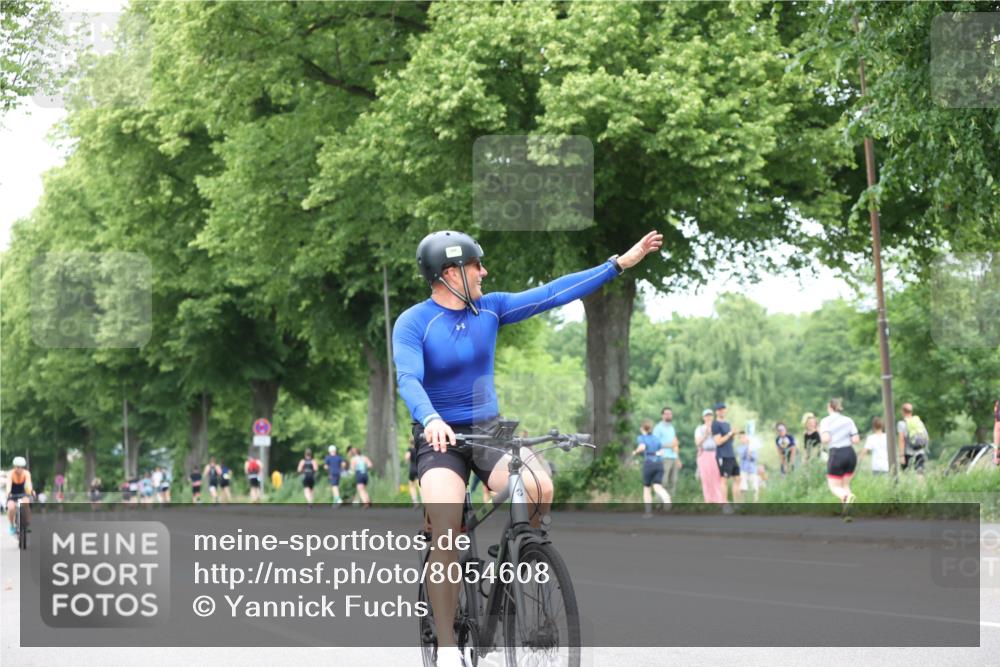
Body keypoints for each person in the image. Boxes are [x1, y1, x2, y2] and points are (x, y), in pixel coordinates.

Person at [393, 229, 662, 667]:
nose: (485, 271)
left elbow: (555, 293)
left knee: (539, 485)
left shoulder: (493, 309)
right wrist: (432, 419)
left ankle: (518, 553)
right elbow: (408, 378)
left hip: (489, 428)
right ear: (449, 274)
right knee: (445, 525)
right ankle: (445, 647)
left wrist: (618, 264)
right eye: (476, 265)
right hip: (439, 435)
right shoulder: (414, 322)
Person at [819, 398, 860, 515]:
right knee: (845, 485)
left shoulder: (825, 421)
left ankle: (848, 497)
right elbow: (855, 439)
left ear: (830, 408)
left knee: (833, 486)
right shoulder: (848, 420)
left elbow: (826, 439)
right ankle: (848, 514)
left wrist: (821, 435)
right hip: (850, 453)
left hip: (836, 454)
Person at [633, 418, 672, 517]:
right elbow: (662, 452)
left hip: (649, 463)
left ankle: (648, 512)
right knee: (657, 486)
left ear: (642, 428)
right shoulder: (656, 438)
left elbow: (642, 447)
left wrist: (635, 452)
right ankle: (666, 497)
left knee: (647, 488)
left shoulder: (642, 438)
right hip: (659, 464)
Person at [712, 402, 742, 508]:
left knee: (737, 478)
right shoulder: (715, 424)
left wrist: (733, 434)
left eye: (723, 409)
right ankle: (724, 504)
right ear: (716, 412)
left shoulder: (727, 424)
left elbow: (730, 440)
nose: (722, 411)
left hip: (731, 454)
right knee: (724, 480)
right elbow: (718, 441)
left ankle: (737, 504)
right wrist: (729, 434)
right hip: (722, 455)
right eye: (720, 409)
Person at [695, 408, 724, 503]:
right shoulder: (699, 429)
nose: (708, 417)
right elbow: (698, 443)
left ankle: (719, 500)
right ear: (703, 417)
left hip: (716, 453)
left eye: (710, 415)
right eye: (706, 416)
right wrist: (706, 435)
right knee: (706, 479)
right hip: (704, 454)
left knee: (717, 478)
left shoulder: (717, 427)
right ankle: (708, 501)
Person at [652, 407, 681, 497]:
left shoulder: (672, 428)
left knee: (673, 481)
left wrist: (678, 458)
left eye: (670, 414)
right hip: (663, 457)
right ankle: (659, 503)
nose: (668, 415)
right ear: (662, 415)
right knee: (663, 481)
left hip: (673, 457)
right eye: (666, 413)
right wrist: (670, 445)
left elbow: (675, 444)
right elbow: (654, 444)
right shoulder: (658, 428)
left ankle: (669, 504)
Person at [897, 402, 930, 480]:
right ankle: (922, 490)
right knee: (920, 473)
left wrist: (901, 456)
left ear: (903, 411)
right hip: (920, 452)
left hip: (908, 454)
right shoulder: (919, 422)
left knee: (906, 474)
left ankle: (908, 490)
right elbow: (926, 436)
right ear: (911, 412)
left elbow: (901, 440)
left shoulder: (901, 424)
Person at [6, 457, 33, 535]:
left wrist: (30, 491)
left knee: (26, 503)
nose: (19, 469)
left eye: (21, 467)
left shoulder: (26, 473)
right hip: (12, 493)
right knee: (11, 507)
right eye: (18, 467)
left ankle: (27, 523)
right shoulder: (10, 473)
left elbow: (28, 484)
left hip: (23, 493)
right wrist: (8, 493)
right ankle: (11, 525)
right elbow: (8, 484)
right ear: (14, 466)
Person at [737, 432, 760, 502]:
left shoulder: (753, 447)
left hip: (752, 469)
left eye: (744, 437)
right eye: (741, 437)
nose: (743, 439)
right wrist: (747, 448)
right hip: (743, 469)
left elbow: (755, 458)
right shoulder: (740, 448)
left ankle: (755, 502)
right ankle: (743, 502)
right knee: (743, 487)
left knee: (754, 487)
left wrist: (751, 454)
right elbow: (742, 456)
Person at [404, 437, 421, 507]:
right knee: (420, 486)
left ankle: (415, 501)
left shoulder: (410, 449)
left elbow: (407, 457)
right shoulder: (419, 449)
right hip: (419, 468)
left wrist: (406, 461)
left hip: (412, 469)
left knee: (411, 486)